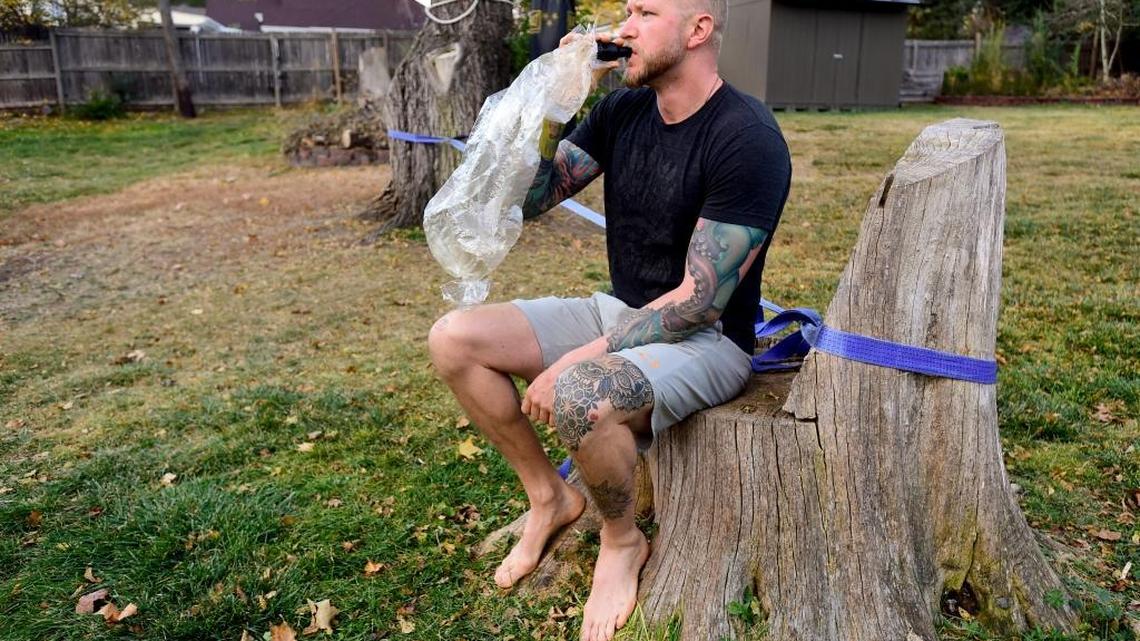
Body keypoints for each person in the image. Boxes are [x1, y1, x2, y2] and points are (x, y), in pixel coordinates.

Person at [427, 0, 791, 638]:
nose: (622, 27)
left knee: (579, 395)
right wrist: (558, 96)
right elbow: (535, 197)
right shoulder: (621, 111)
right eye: (624, 10)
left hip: (708, 340)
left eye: (645, 12)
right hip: (620, 309)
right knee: (454, 340)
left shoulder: (746, 136)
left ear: (697, 30)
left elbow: (699, 301)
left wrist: (583, 355)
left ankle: (621, 541)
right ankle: (550, 497)